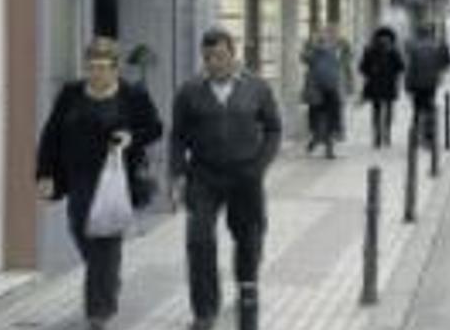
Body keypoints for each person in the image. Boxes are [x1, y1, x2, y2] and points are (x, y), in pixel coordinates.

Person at [36, 37, 163, 330]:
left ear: (116, 68)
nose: (97, 73)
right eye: (91, 67)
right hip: (78, 179)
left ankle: (98, 314)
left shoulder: (133, 95)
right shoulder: (71, 94)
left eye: (104, 67)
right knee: (82, 233)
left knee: (104, 241)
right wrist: (45, 174)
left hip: (116, 180)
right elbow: (51, 134)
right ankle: (107, 278)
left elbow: (155, 128)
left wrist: (132, 138)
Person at [170, 28, 282, 330]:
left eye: (219, 56)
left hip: (245, 175)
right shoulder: (189, 91)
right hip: (204, 176)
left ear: (233, 54)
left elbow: (273, 128)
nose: (213, 63)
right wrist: (178, 174)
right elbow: (177, 136)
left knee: (248, 237)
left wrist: (260, 165)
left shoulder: (257, 87)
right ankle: (205, 311)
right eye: (207, 57)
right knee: (199, 241)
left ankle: (247, 289)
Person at [359, 27, 405, 148]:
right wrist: (393, 74)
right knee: (388, 110)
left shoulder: (369, 50)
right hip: (389, 84)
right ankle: (387, 134)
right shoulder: (394, 51)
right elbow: (401, 67)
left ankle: (377, 135)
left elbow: (362, 68)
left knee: (376, 110)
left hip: (375, 85)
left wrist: (370, 73)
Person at [404, 25, 450, 146]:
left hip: (416, 84)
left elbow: (410, 69)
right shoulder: (436, 47)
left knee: (417, 110)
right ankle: (429, 137)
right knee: (430, 107)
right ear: (429, 34)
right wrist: (438, 75)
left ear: (419, 35)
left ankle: (415, 136)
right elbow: (444, 63)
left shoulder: (414, 48)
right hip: (431, 83)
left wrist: (407, 86)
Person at [301, 26, 344, 158]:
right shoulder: (332, 51)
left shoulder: (314, 53)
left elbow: (302, 57)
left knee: (318, 118)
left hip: (320, 91)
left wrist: (309, 45)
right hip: (327, 90)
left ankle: (317, 142)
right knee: (329, 118)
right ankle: (325, 146)